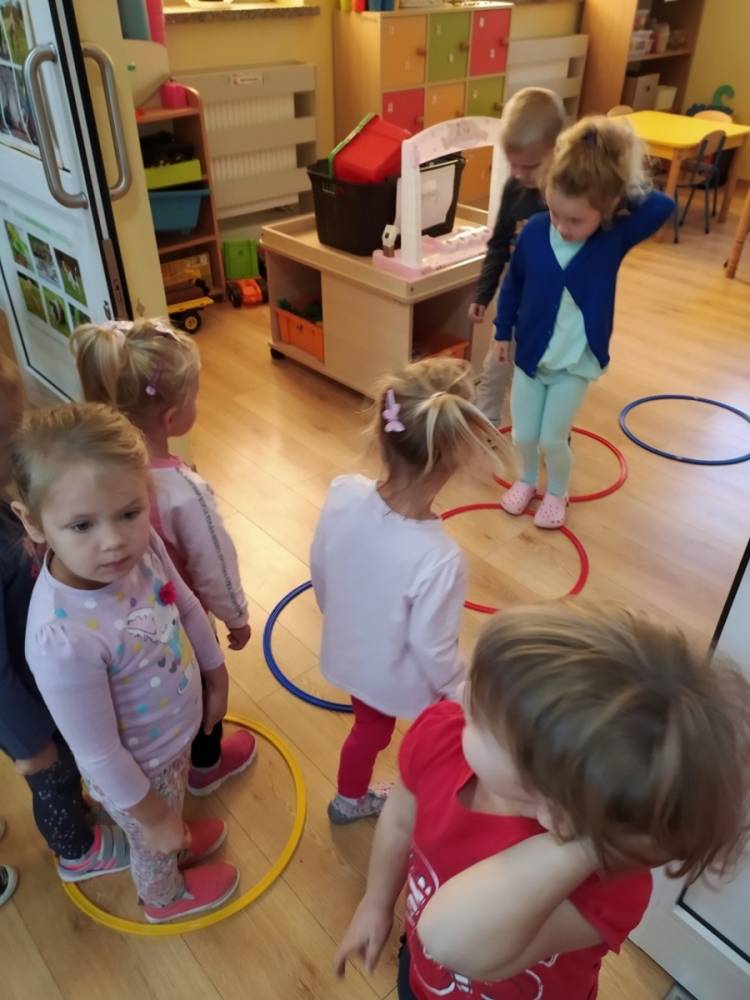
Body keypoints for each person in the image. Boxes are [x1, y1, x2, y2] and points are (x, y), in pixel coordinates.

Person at [335, 600, 750, 999]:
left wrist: (584, 847)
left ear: (554, 802)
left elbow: (448, 940)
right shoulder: (441, 735)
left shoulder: (610, 883)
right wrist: (377, 901)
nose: (460, 694)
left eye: (482, 716)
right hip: (424, 978)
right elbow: (400, 820)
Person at [11, 403, 239, 922]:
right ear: (33, 522)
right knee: (149, 842)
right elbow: (98, 754)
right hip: (136, 769)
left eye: (129, 513)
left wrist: (216, 673)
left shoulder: (143, 547)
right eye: (82, 525)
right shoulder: (61, 638)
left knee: (169, 807)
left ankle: (173, 832)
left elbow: (183, 604)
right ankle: (163, 896)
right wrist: (155, 818)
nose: (114, 540)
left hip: (171, 741)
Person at [311, 358, 514, 825]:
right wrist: (463, 690)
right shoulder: (439, 558)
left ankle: (348, 799)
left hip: (349, 652)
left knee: (368, 731)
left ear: (384, 436)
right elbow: (433, 650)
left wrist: (341, 617)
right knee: (433, 734)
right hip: (394, 676)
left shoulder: (343, 492)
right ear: (457, 454)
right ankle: (422, 802)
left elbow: (321, 567)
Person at [70, 319, 254, 798]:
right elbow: (214, 565)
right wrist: (236, 616)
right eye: (196, 394)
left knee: (148, 692)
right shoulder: (184, 490)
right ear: (172, 418)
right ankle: (205, 765)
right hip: (179, 617)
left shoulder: (89, 474)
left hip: (114, 621)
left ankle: (155, 766)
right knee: (201, 683)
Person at [493, 116, 674, 528]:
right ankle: (526, 479)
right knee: (523, 434)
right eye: (556, 212)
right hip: (531, 357)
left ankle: (557, 492)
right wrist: (502, 331)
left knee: (552, 439)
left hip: (574, 364)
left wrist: (615, 172)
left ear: (607, 210)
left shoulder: (611, 238)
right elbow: (512, 284)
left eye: (575, 220)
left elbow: (663, 205)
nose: (562, 226)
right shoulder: (535, 231)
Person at [0, 356, 129, 881]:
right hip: (20, 705)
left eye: (17, 428)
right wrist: (28, 741)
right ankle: (76, 852)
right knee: (50, 776)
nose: (17, 451)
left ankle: (77, 809)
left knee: (68, 761)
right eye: (5, 439)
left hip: (40, 677)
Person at [468, 88, 566, 425]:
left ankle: (550, 428)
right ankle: (486, 425)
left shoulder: (570, 195)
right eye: (512, 164)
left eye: (531, 166)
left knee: (546, 374)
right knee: (495, 366)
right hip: (515, 296)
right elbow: (498, 244)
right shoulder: (514, 188)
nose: (520, 174)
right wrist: (483, 293)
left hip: (556, 307)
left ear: (558, 149)